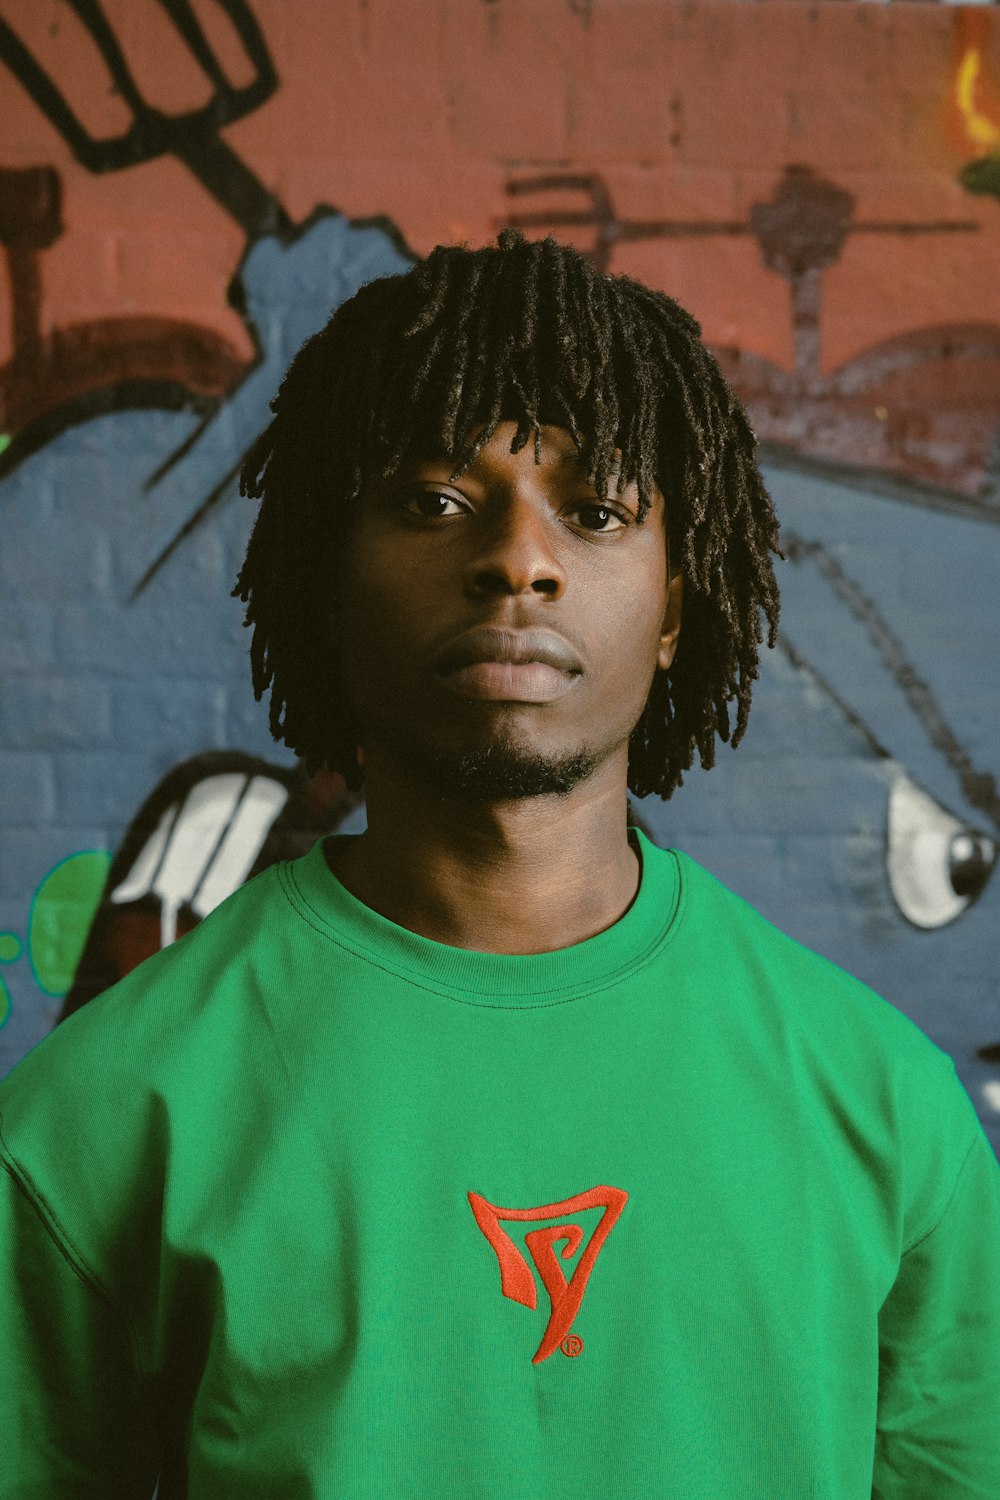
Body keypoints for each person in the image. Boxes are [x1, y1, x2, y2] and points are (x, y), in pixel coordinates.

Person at [2, 229, 998, 1499]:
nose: (518, 561)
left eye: (593, 512)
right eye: (433, 500)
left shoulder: (887, 1113)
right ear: (325, 581)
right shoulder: (99, 1120)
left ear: (677, 606)